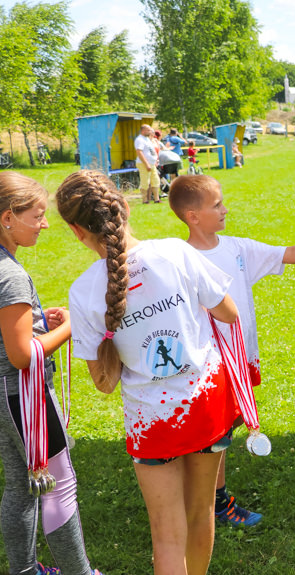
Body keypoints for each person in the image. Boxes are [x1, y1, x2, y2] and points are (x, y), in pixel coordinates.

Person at [57, 170, 241, 574]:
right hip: (205, 401)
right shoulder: (176, 252)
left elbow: (104, 384)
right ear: (123, 206)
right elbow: (228, 312)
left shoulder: (84, 291)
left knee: (166, 534)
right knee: (202, 511)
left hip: (151, 419)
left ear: (76, 230)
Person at [168, 174, 295, 527]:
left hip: (239, 361)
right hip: (207, 367)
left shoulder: (236, 249)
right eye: (217, 205)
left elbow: (286, 254)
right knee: (213, 435)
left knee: (222, 432)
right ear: (192, 216)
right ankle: (214, 503)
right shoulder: (179, 260)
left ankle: (207, 498)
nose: (225, 209)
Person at [0, 172, 103, 575]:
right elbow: (23, 355)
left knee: (21, 488)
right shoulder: (10, 275)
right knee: (59, 483)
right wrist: (73, 324)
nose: (45, 224)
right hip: (23, 397)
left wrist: (40, 319)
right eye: (38, 216)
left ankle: (24, 571)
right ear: (8, 217)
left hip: (4, 398)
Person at [134, 124, 160, 204]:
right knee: (145, 182)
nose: (150, 132)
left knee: (155, 180)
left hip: (152, 164)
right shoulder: (140, 139)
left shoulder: (147, 139)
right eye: (148, 130)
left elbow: (151, 151)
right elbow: (139, 152)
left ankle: (157, 199)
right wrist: (146, 164)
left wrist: (155, 160)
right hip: (143, 164)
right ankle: (145, 200)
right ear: (143, 130)